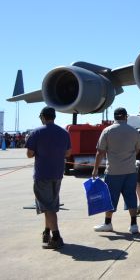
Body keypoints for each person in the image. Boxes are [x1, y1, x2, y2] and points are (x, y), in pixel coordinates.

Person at [26, 107, 71, 250]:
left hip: (42, 174)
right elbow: (68, 153)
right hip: (57, 174)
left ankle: (56, 237)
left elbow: (29, 154)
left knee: (48, 206)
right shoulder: (64, 132)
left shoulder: (36, 132)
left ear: (42, 117)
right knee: (50, 204)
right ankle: (47, 232)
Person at [92, 107, 140, 234]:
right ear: (126, 116)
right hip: (130, 170)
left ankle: (108, 223)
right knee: (131, 196)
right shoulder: (134, 131)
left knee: (110, 198)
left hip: (113, 171)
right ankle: (133, 225)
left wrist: (95, 169)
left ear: (114, 117)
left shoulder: (107, 131)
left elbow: (100, 152)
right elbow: (138, 149)